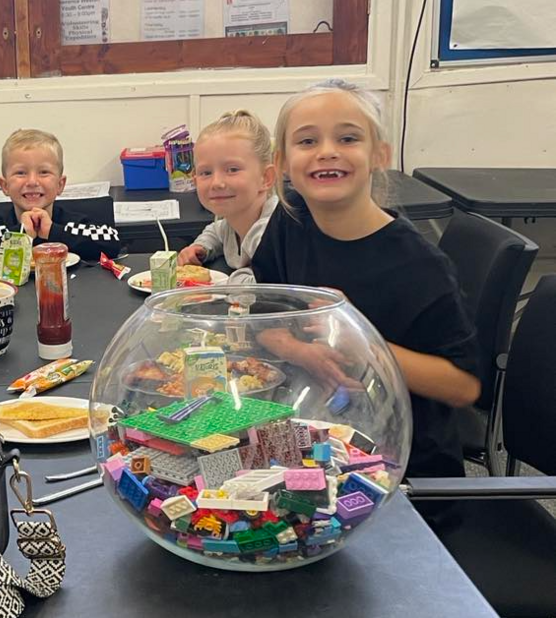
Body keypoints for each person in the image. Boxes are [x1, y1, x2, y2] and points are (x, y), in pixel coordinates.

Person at [251, 78, 480, 482]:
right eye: (307, 142)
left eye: (348, 138)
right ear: (283, 162)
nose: (326, 152)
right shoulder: (291, 220)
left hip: (399, 469)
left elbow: (463, 387)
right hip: (312, 440)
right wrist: (298, 349)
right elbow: (262, 316)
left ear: (379, 155)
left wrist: (356, 337)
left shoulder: (419, 266)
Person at [0, 129, 122, 266]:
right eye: (21, 173)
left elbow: (111, 241)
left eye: (44, 172)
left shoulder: (71, 223)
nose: (32, 181)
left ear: (60, 185)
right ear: (5, 186)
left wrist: (53, 231)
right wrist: (19, 234)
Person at [177, 110, 279, 284]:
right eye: (206, 172)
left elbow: (269, 288)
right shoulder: (235, 221)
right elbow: (217, 231)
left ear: (266, 178)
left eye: (232, 169)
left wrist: (227, 283)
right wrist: (200, 247)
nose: (217, 182)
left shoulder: (271, 233)